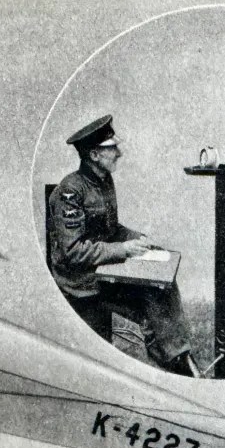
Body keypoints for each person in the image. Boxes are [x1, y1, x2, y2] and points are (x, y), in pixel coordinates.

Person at [47, 115, 197, 377]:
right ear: (94, 155)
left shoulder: (104, 180)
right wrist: (123, 250)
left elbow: (110, 229)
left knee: (162, 288)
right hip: (81, 282)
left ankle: (176, 359)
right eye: (112, 148)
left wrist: (138, 239)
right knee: (150, 298)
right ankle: (173, 361)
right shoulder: (69, 192)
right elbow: (73, 252)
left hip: (102, 270)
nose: (120, 153)